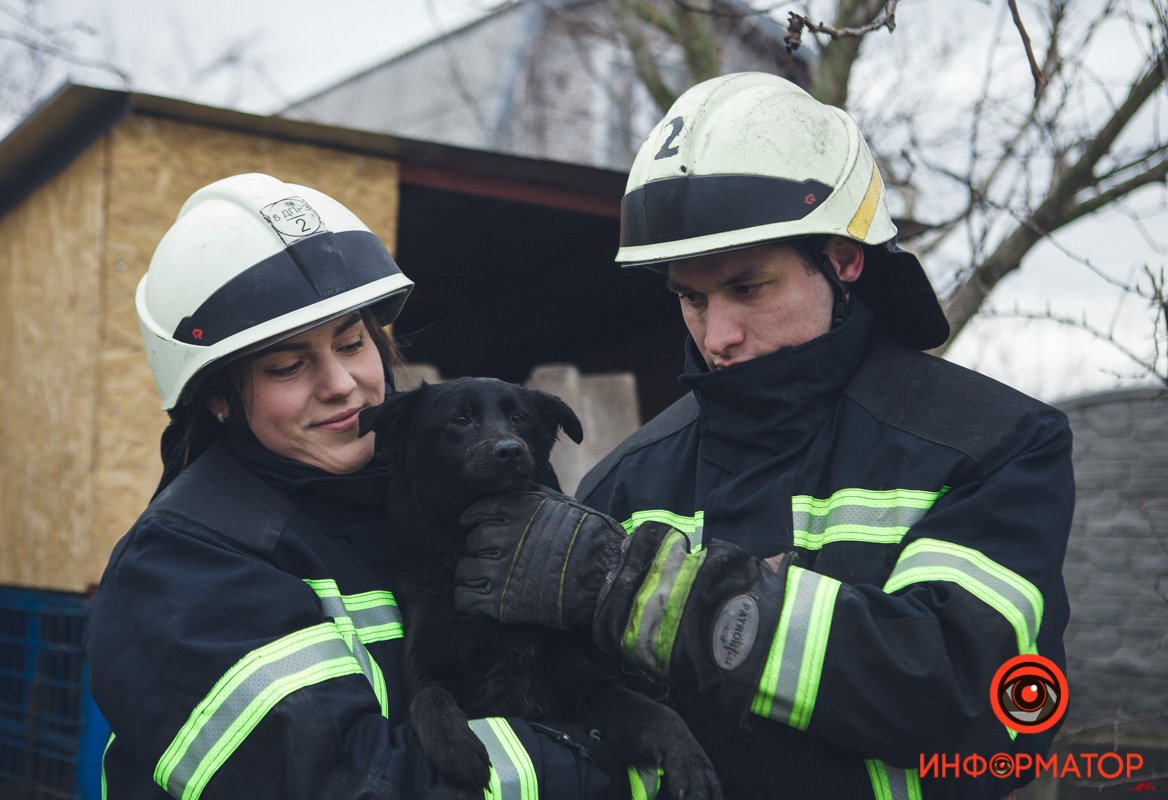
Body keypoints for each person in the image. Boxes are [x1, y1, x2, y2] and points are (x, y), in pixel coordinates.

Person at [454, 73, 1074, 800]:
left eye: (748, 288)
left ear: (843, 258)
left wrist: (652, 592)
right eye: (691, 297)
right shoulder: (628, 479)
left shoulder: (991, 445)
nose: (717, 335)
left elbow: (988, 705)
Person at [85, 174, 626, 799]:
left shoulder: (431, 506)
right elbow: (345, 782)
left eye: (351, 343)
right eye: (287, 366)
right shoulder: (181, 566)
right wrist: (614, 759)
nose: (342, 384)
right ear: (217, 401)